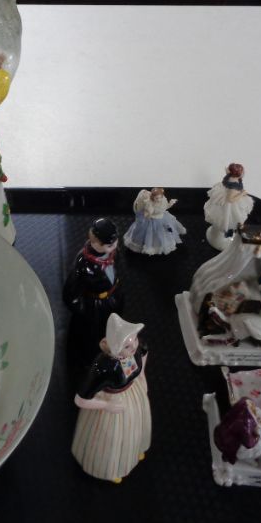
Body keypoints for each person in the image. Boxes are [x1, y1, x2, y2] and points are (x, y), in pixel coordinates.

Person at [71, 313, 151, 483]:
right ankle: (111, 468)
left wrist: (142, 376)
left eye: (135, 340)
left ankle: (135, 451)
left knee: (134, 429)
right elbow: (80, 400)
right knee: (112, 439)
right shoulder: (104, 367)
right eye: (128, 346)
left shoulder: (137, 349)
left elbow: (144, 352)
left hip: (132, 395)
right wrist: (106, 405)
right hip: (112, 402)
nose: (134, 347)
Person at [63, 218, 125, 361]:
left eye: (115, 242)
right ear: (95, 242)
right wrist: (83, 310)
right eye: (110, 245)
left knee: (113, 325)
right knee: (93, 334)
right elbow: (71, 292)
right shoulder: (83, 264)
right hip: (95, 305)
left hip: (113, 297)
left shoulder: (113, 253)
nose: (115, 246)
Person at [203, 163, 254, 250]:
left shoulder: (229, 176)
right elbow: (230, 199)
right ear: (238, 173)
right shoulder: (234, 185)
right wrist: (242, 194)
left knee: (227, 220)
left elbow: (227, 172)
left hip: (225, 197)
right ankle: (224, 235)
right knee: (229, 220)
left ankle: (223, 234)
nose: (243, 173)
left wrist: (228, 170)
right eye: (242, 171)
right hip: (229, 206)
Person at [123, 188, 187, 255]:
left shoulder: (163, 201)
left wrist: (170, 204)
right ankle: (150, 246)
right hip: (151, 220)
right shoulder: (149, 203)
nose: (159, 199)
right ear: (152, 197)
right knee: (150, 234)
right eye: (157, 198)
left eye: (160, 198)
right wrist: (148, 213)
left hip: (162, 218)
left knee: (165, 232)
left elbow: (165, 207)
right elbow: (146, 213)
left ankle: (162, 244)